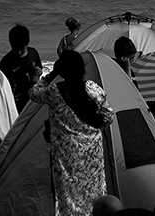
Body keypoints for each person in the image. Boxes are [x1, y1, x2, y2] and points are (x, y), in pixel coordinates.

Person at [31, 51, 109, 216]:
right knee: (93, 190)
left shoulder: (54, 91)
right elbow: (108, 117)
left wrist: (49, 76)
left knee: (68, 194)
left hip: (66, 154)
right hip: (92, 153)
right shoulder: (92, 88)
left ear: (63, 70)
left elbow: (33, 93)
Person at [0, 24, 43, 108]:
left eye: (22, 49)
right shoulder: (6, 62)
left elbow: (39, 71)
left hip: (33, 98)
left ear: (27, 44)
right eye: (15, 49)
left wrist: (39, 72)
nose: (19, 52)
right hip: (17, 102)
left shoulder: (33, 53)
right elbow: (4, 87)